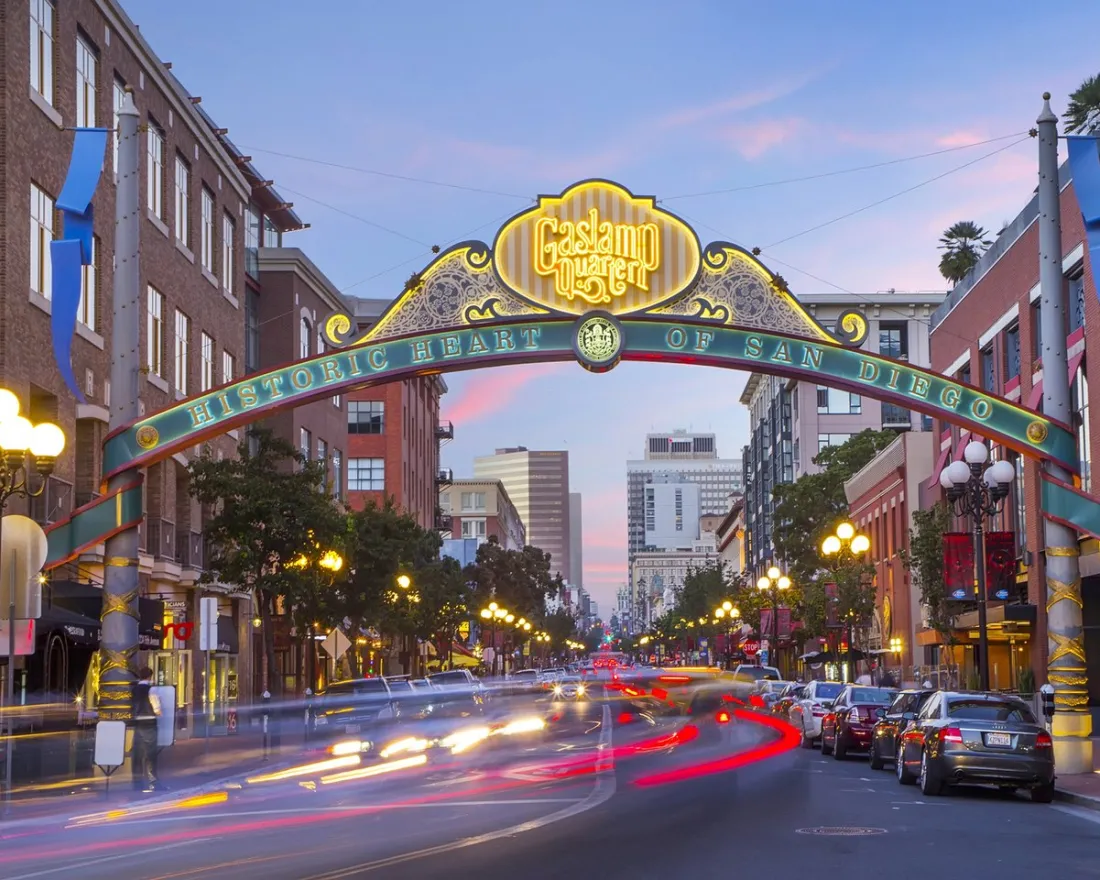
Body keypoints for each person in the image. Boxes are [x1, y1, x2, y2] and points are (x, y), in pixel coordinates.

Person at [131, 666, 162, 792]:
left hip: (138, 723)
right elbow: (157, 709)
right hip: (149, 723)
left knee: (137, 754)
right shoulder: (152, 690)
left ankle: (137, 784)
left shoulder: (134, 690)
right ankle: (153, 782)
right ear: (150, 676)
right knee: (151, 754)